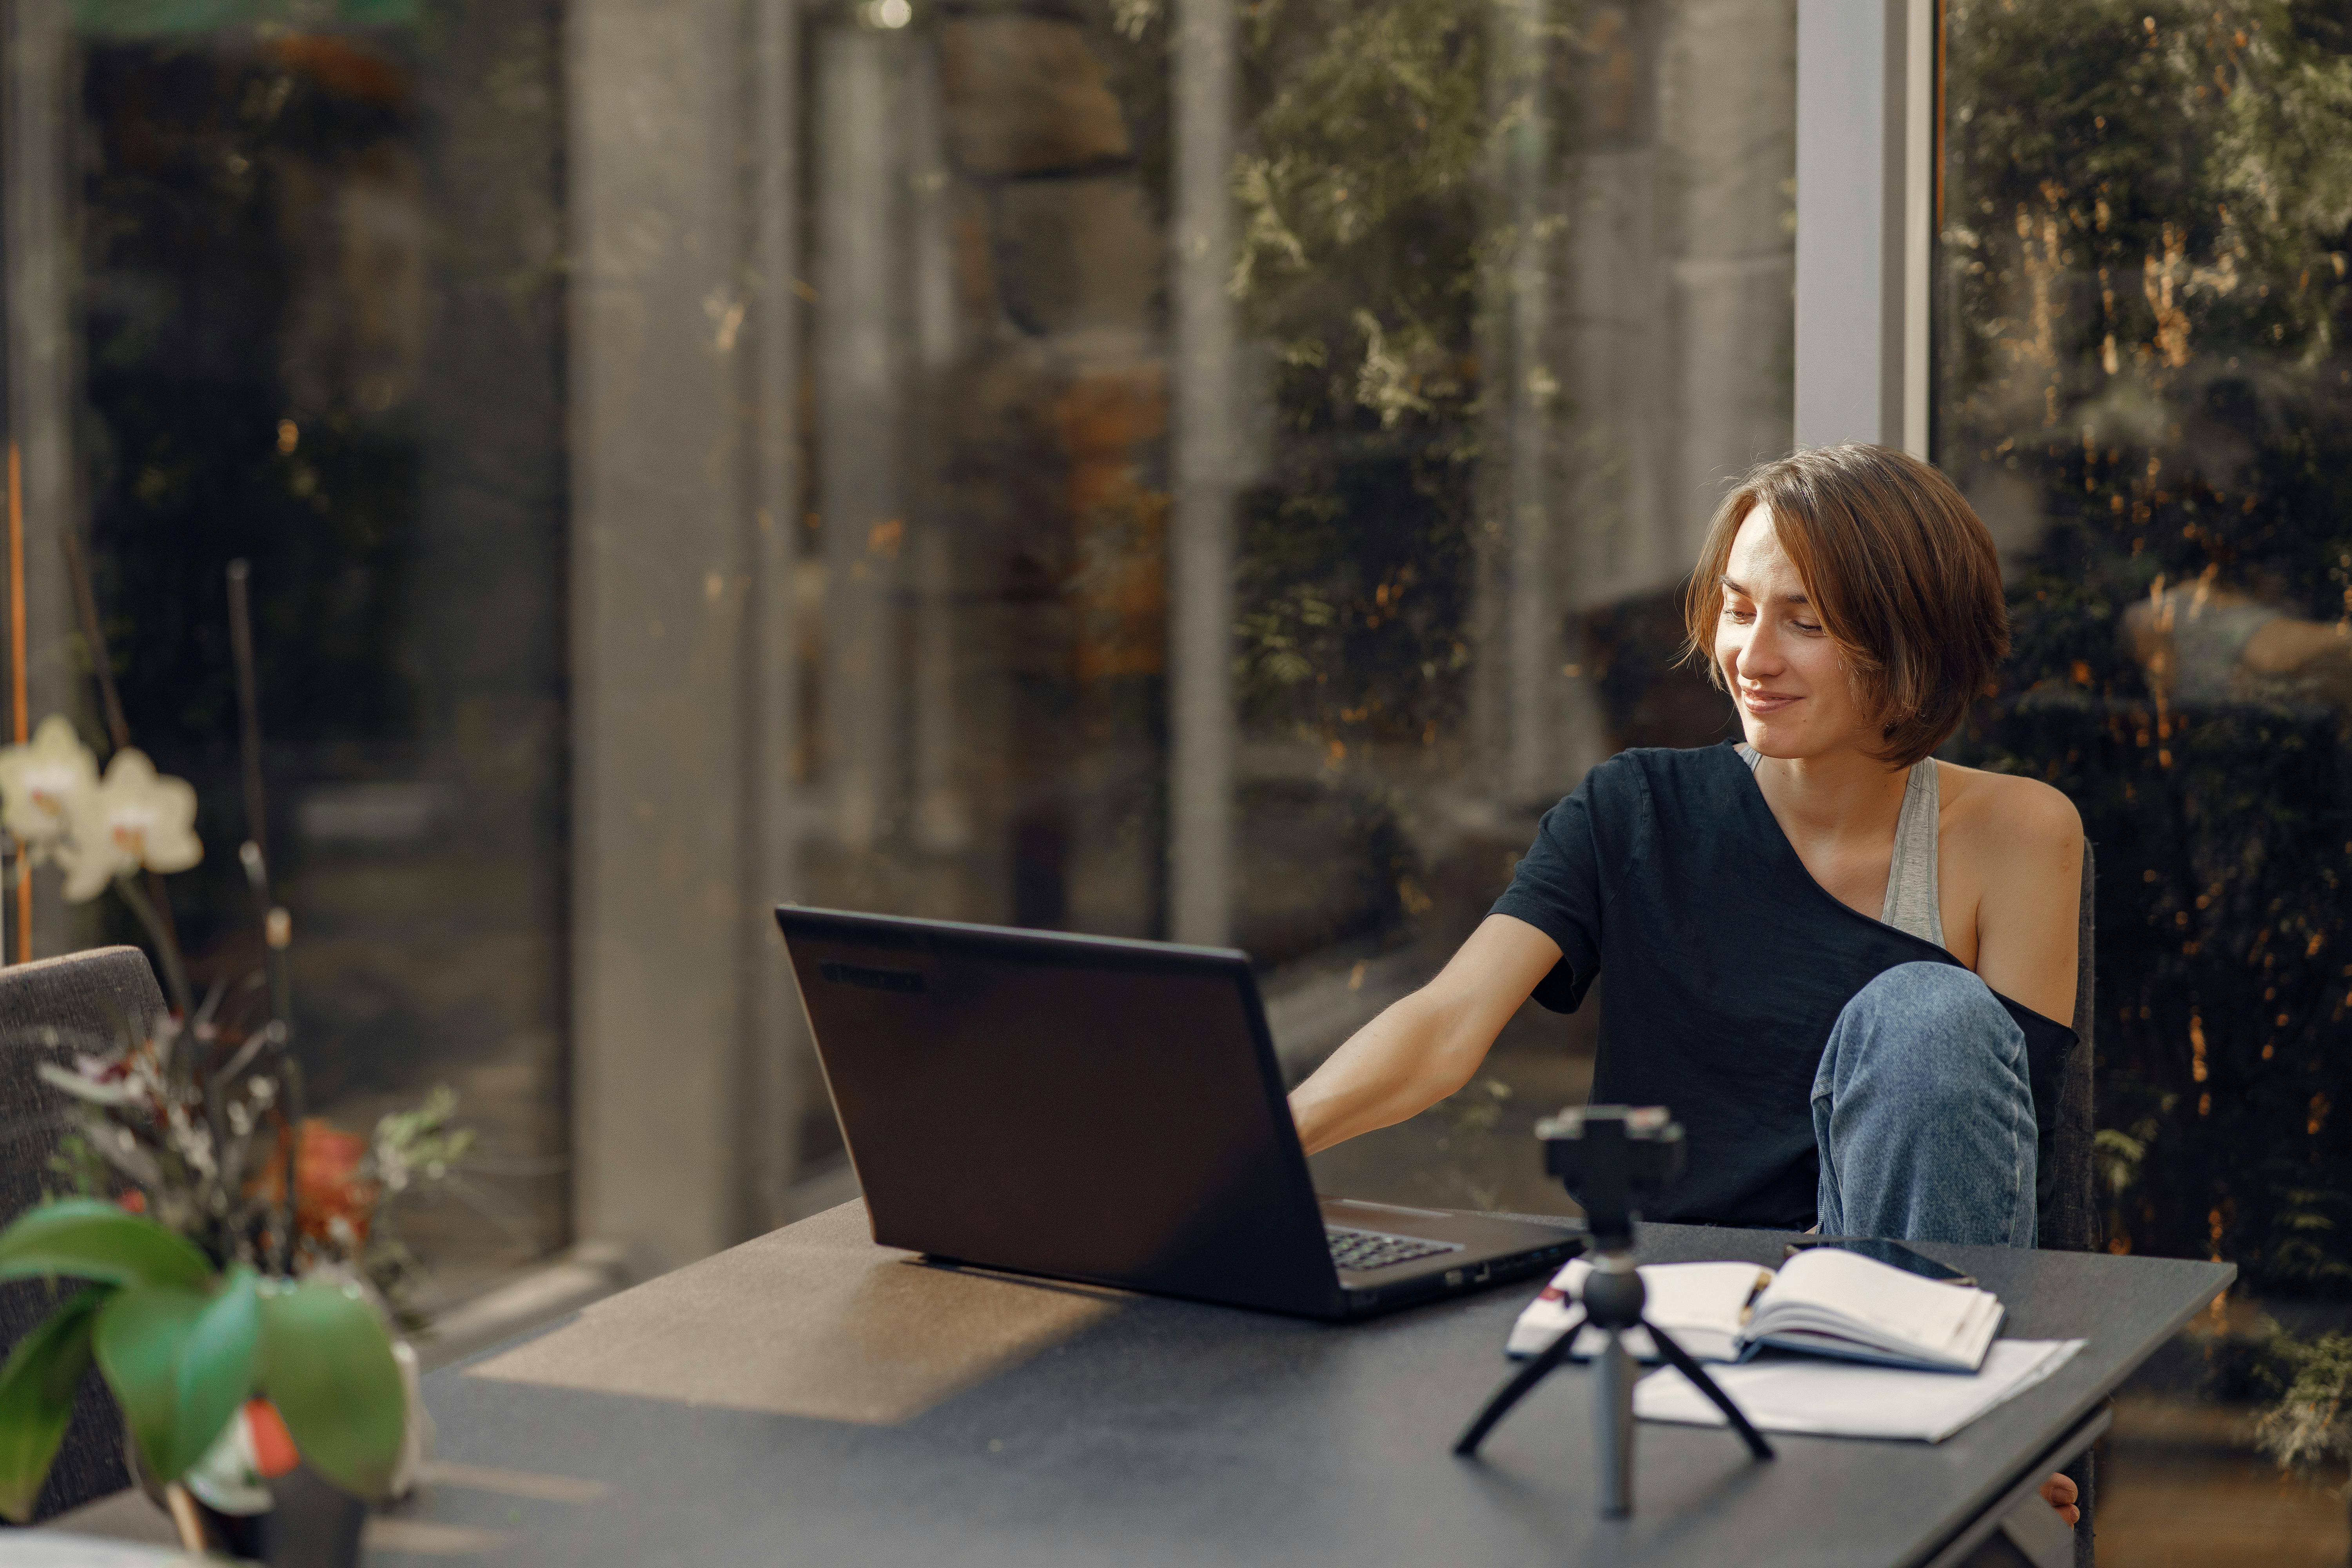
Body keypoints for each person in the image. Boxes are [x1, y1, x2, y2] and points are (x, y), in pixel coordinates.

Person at [1285, 443, 2085, 1522]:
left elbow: (2000, 1161)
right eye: (1738, 609)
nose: (1753, 654)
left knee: (1930, 1015)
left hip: (1882, 1345)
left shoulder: (2019, 833)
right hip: (1677, 1324)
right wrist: (1240, 1162)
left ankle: (1945, 1468)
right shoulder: (1635, 811)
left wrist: (2027, 1424)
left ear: (1908, 642)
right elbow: (1443, 1026)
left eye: (1805, 621)